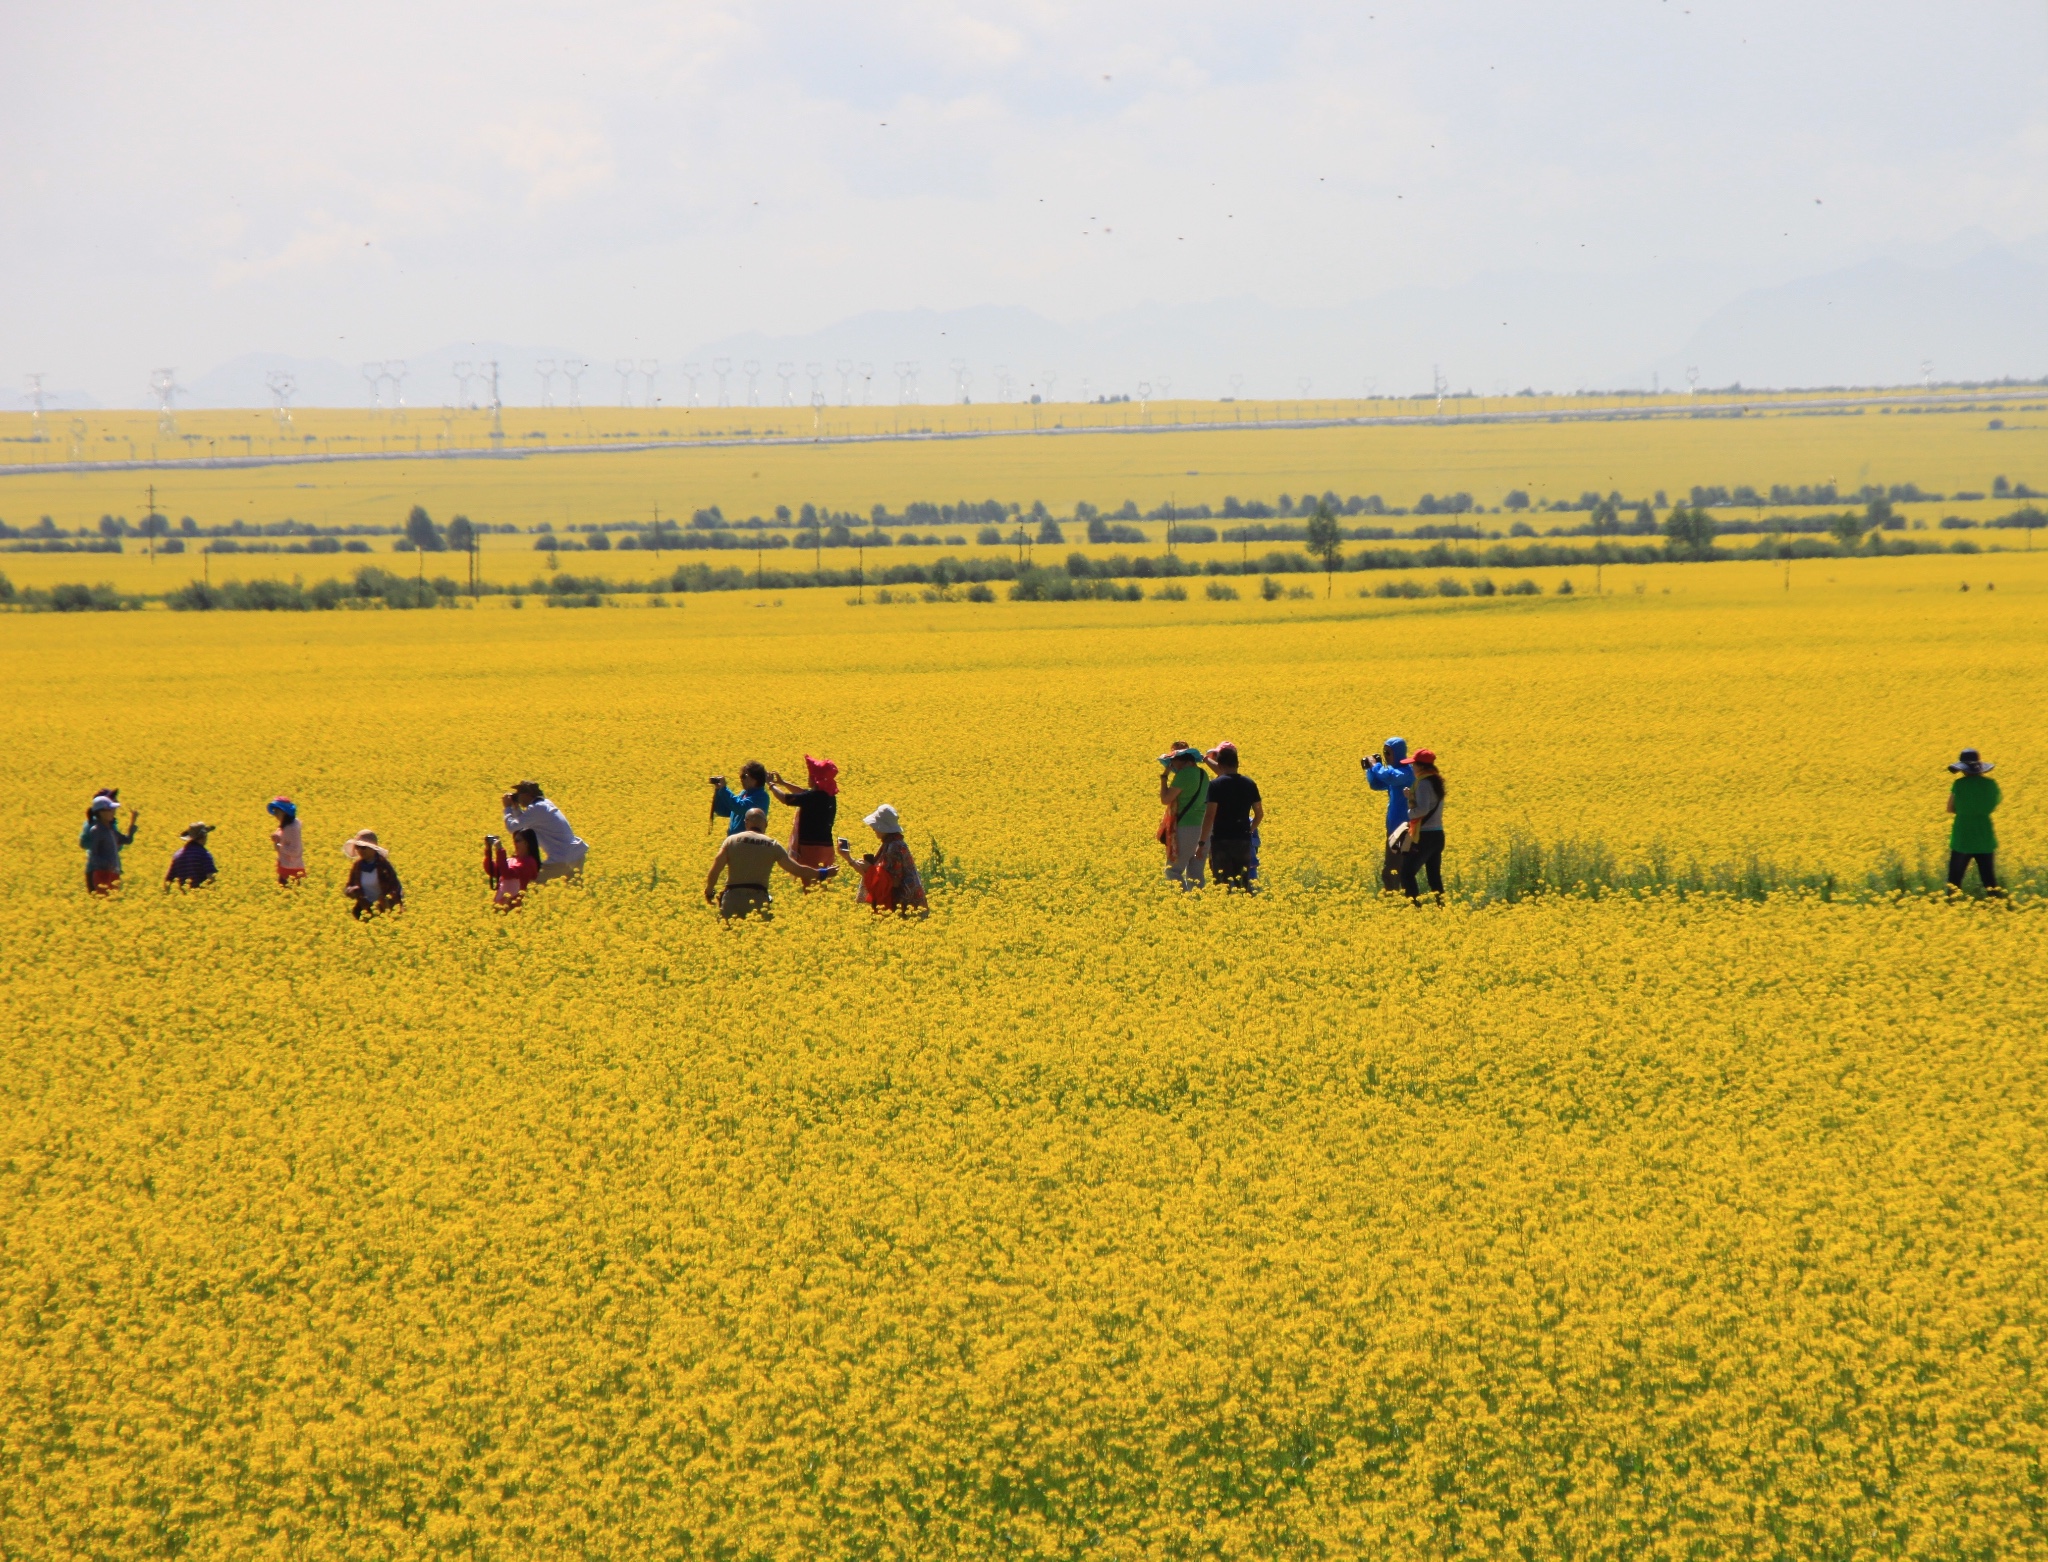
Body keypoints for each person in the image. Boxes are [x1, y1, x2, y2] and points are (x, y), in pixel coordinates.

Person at [703, 806, 834, 917]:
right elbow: (798, 870)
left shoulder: (731, 841)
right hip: (758, 901)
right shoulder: (772, 845)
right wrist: (823, 873)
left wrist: (709, 892)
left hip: (732, 900)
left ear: (746, 822)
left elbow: (715, 870)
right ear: (765, 824)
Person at [838, 803, 928, 913]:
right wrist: (849, 858)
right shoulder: (891, 843)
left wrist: (870, 868)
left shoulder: (894, 847)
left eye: (875, 826)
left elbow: (893, 882)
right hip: (904, 905)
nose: (873, 829)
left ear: (883, 827)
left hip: (905, 906)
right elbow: (879, 879)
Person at [767, 755, 839, 885]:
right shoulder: (828, 796)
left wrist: (771, 785)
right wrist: (783, 783)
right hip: (827, 848)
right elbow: (803, 793)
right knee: (822, 886)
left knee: (810, 884)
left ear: (814, 779)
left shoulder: (812, 797)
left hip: (811, 848)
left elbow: (785, 798)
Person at [1203, 743, 1264, 891]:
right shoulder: (1249, 783)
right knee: (1242, 882)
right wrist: (1249, 830)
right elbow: (1259, 814)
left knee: (1222, 883)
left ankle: (1224, 909)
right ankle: (1244, 907)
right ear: (1238, 763)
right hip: (1242, 839)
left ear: (1221, 765)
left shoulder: (1215, 785)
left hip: (1221, 839)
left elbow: (1210, 815)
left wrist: (1201, 842)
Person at [501, 781, 588, 882]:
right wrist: (516, 808)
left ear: (527, 795)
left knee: (529, 883)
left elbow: (513, 828)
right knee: (574, 891)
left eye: (519, 794)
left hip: (561, 858)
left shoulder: (537, 808)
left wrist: (507, 809)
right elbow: (524, 822)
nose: (518, 797)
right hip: (576, 854)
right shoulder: (545, 804)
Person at [1946, 748, 2002, 896]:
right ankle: (1997, 906)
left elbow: (1950, 808)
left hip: (1963, 836)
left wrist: (1965, 811)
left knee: (1954, 881)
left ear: (1963, 769)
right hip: (1984, 836)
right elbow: (1993, 805)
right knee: (1989, 880)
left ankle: (1950, 906)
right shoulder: (1991, 784)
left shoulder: (1959, 785)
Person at [1362, 736, 1416, 891]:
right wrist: (1370, 770)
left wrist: (1376, 765)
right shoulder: (1394, 773)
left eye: (1388, 752)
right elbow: (1376, 784)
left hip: (1404, 827)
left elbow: (1390, 776)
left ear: (1398, 753)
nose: (1386, 756)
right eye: (1384, 752)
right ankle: (1402, 896)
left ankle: (1394, 898)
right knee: (1396, 864)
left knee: (1393, 866)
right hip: (1394, 827)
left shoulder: (1406, 772)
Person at [1158, 745, 1213, 888]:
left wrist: (1164, 778)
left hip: (1186, 828)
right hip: (1204, 829)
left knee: (1173, 871)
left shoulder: (1184, 774)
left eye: (1173, 762)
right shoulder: (1203, 774)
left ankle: (1179, 903)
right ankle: (1197, 904)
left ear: (1182, 761)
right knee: (1196, 874)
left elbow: (1166, 799)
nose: (1173, 766)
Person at [1398, 750, 1448, 902]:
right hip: (1437, 835)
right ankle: (1442, 908)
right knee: (1433, 877)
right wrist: (1411, 797)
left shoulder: (1423, 784)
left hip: (1425, 836)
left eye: (1413, 764)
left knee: (1406, 873)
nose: (1412, 767)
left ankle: (1415, 910)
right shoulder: (1435, 781)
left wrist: (1409, 812)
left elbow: (1422, 809)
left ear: (1421, 766)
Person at [80, 794, 139, 894]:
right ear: (101, 813)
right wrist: (108, 865)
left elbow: (127, 840)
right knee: (104, 900)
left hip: (113, 873)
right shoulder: (97, 830)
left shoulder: (110, 829)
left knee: (112, 901)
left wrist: (133, 822)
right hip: (102, 874)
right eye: (110, 810)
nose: (113, 812)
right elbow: (94, 855)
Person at [342, 830, 404, 918]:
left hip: (385, 908)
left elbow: (395, 886)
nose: (360, 850)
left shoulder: (383, 865)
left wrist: (386, 899)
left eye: (363, 847)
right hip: (365, 908)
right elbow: (349, 886)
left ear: (373, 848)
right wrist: (353, 891)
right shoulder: (357, 866)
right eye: (357, 847)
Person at [485, 828, 542, 910]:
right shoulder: (513, 860)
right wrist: (488, 850)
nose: (514, 843)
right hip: (502, 905)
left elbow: (507, 874)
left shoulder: (529, 862)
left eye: (518, 841)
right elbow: (493, 871)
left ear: (526, 843)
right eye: (514, 841)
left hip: (515, 907)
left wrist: (500, 849)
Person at [710, 763, 772, 837]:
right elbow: (723, 811)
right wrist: (718, 791)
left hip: (749, 842)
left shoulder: (761, 797)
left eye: (744, 776)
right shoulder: (744, 794)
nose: (741, 779)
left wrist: (724, 789)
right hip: (735, 841)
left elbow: (739, 807)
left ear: (754, 779)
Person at [164, 823, 218, 889]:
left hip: (182, 897)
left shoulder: (177, 855)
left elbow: (168, 881)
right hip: (201, 895)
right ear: (203, 836)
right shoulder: (204, 854)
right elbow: (211, 877)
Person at [267, 796, 305, 885]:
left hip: (291, 870)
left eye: (277, 811)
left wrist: (279, 847)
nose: (275, 814)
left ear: (284, 812)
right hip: (287, 866)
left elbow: (296, 850)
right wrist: (277, 836)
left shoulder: (292, 828)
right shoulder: (290, 823)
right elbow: (284, 832)